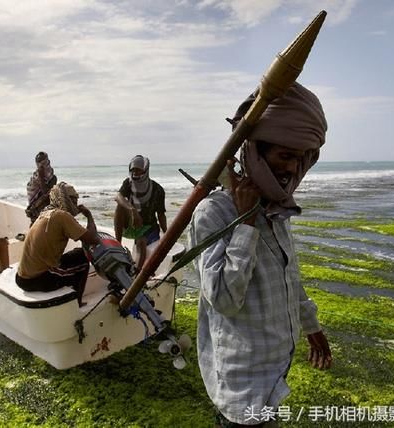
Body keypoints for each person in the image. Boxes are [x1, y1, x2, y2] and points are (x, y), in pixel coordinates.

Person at [189, 82, 333, 427]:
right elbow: (223, 299)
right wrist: (247, 224)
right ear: (256, 151)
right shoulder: (214, 213)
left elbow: (289, 278)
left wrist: (312, 326)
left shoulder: (277, 209)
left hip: (274, 375)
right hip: (243, 385)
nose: (292, 167)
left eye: (299, 158)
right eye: (284, 155)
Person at [16, 182, 99, 306]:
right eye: (74, 200)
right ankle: (78, 302)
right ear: (66, 199)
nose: (76, 204)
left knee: (78, 253)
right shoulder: (62, 216)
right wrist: (89, 216)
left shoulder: (45, 213)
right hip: (39, 279)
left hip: (21, 278)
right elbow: (93, 239)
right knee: (83, 260)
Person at [114, 155, 167, 271]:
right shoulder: (128, 183)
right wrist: (132, 210)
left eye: (138, 170)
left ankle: (137, 273)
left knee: (141, 243)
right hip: (132, 224)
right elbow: (118, 196)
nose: (135, 173)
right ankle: (117, 245)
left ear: (146, 170)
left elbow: (161, 214)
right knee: (120, 205)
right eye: (133, 170)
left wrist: (167, 234)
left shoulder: (158, 189)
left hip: (148, 228)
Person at [25, 151, 58, 224]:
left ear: (48, 162)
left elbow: (46, 193)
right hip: (36, 209)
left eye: (44, 162)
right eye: (39, 163)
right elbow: (38, 193)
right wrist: (41, 176)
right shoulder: (35, 177)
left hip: (46, 208)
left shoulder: (52, 178)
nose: (42, 166)